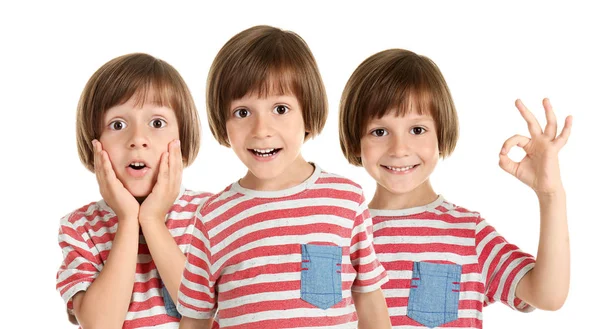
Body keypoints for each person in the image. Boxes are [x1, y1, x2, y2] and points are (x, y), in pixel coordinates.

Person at [338, 48, 571, 328]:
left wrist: (551, 195)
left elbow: (549, 296)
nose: (399, 149)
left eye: (417, 130)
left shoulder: (469, 233)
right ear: (355, 141)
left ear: (442, 133)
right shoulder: (341, 234)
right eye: (379, 132)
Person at [177, 25, 391, 329]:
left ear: (308, 112)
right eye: (242, 112)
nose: (261, 129)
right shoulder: (213, 218)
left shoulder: (346, 201)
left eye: (280, 108)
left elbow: (369, 299)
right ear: (222, 121)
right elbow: (194, 320)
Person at [56, 53, 212, 328]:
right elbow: (99, 324)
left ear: (183, 137)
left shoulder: (211, 214)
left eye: (157, 123)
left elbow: (206, 316)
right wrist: (128, 219)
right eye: (118, 125)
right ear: (94, 143)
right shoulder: (80, 227)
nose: (138, 139)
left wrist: (152, 220)